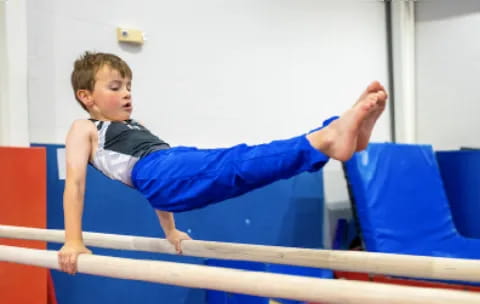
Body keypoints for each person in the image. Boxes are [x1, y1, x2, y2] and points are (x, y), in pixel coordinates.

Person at [58, 51, 387, 274]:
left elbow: (162, 184)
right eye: (116, 87)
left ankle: (333, 137)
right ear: (86, 97)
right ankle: (328, 137)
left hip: (167, 169)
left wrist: (170, 231)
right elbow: (75, 184)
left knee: (243, 171)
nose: (127, 93)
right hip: (159, 173)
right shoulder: (84, 128)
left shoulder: (136, 128)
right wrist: (74, 239)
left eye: (129, 86)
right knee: (237, 163)